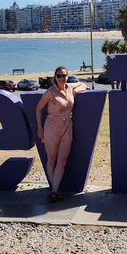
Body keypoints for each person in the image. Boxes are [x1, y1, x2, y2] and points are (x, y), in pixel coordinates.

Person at [36, 66, 87, 202]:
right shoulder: (50, 92)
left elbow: (82, 84)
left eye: (63, 75)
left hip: (67, 126)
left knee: (62, 161)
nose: (61, 78)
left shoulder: (69, 88)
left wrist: (76, 90)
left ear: (67, 76)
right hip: (52, 126)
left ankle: (54, 190)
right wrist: (40, 128)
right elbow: (39, 108)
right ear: (55, 77)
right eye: (58, 76)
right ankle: (55, 190)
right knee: (51, 159)